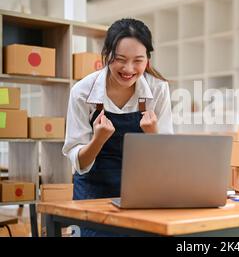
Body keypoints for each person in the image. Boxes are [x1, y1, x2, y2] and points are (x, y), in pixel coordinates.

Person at [62, 18, 173, 236]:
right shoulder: (82, 92)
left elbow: (166, 160)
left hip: (141, 193)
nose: (129, 69)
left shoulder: (158, 90)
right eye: (120, 59)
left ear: (147, 60)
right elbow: (80, 162)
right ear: (106, 54)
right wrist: (98, 139)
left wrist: (153, 135)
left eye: (138, 61)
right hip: (94, 195)